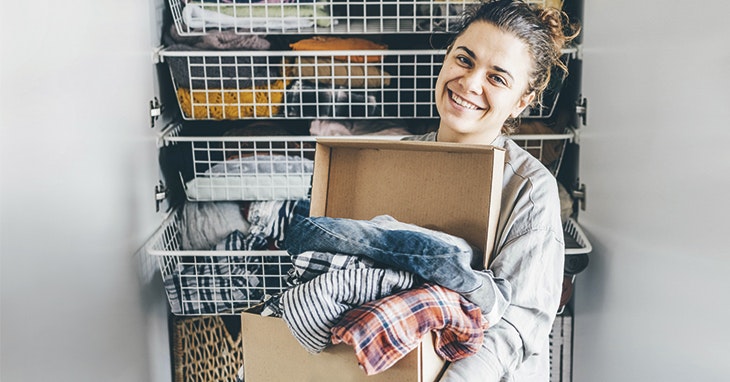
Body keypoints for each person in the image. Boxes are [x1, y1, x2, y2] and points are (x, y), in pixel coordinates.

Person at [403, 0, 580, 380]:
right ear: (447, 56)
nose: (469, 83)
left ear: (522, 102)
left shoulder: (530, 190)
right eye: (464, 59)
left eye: (497, 78)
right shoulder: (393, 157)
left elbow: (512, 328)